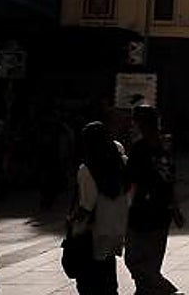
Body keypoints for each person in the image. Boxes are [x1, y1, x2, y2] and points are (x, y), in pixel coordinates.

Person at [124, 105, 183, 295]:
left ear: (140, 123)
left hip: (142, 211)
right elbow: (169, 180)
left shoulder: (140, 148)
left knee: (134, 259)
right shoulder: (164, 146)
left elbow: (132, 182)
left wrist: (126, 207)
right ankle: (146, 290)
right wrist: (175, 209)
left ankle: (166, 290)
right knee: (151, 260)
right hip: (162, 211)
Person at [71, 121, 130, 295]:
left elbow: (87, 206)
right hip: (115, 228)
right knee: (108, 277)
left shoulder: (87, 169)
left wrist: (73, 225)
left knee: (89, 283)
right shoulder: (122, 163)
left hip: (93, 233)